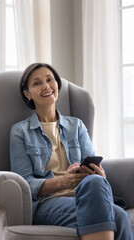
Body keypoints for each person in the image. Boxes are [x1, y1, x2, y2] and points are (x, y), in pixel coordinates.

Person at [10, 63, 133, 240]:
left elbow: (92, 168)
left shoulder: (77, 126)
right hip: (46, 203)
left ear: (57, 85)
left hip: (84, 195)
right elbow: (25, 185)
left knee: (100, 189)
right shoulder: (19, 132)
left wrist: (99, 174)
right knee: (118, 216)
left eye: (49, 80)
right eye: (37, 83)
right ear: (27, 94)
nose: (45, 86)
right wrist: (63, 182)